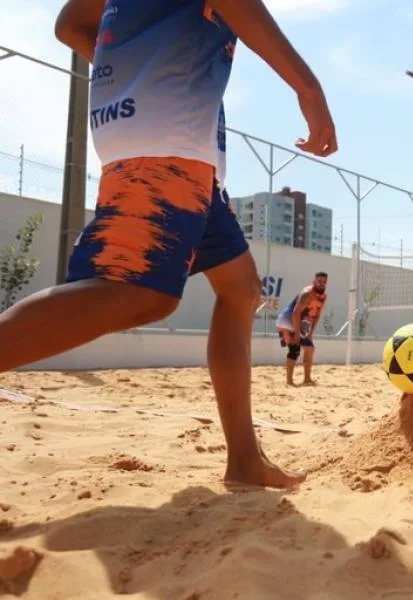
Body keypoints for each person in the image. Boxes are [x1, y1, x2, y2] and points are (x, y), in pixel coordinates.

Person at [0, 0, 337, 489]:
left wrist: (141, 70)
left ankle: (244, 461)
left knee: (240, 289)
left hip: (169, 137)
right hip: (168, 136)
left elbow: (69, 23)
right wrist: (309, 88)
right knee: (143, 294)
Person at [276, 272, 327, 386]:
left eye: (324, 282)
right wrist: (298, 334)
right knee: (295, 349)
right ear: (314, 282)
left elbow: (317, 315)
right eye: (319, 281)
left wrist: (310, 332)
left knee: (309, 349)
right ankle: (289, 382)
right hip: (287, 321)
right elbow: (295, 313)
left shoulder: (323, 297)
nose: (321, 284)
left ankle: (307, 379)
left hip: (297, 323)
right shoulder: (307, 293)